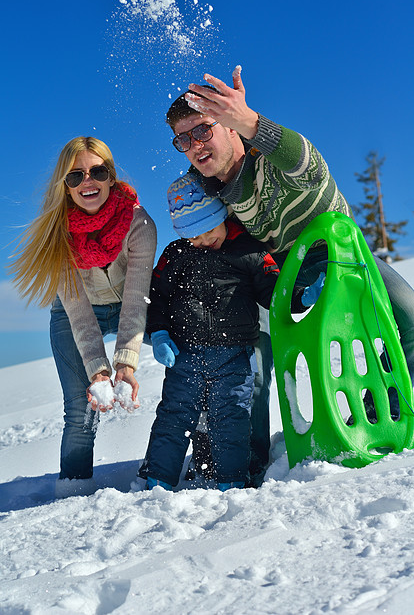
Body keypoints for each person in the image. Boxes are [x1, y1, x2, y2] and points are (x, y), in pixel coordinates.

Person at [166, 66, 414, 484]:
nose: (194, 146)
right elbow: (187, 222)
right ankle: (240, 459)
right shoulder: (204, 185)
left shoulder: (271, 160)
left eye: (203, 130)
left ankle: (387, 411)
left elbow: (307, 163)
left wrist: (248, 120)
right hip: (280, 275)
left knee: (407, 314)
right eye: (183, 139)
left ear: (229, 127)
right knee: (250, 352)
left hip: (342, 257)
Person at [138, 173, 321, 491]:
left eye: (208, 230)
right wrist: (159, 333)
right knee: (173, 416)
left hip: (235, 355)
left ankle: (232, 483)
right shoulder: (176, 255)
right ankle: (157, 481)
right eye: (194, 237)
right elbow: (157, 298)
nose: (204, 241)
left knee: (233, 418)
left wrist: (300, 295)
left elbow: (272, 290)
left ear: (221, 215)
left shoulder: (250, 250)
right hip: (185, 353)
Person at [9, 136, 157, 498]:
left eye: (97, 171)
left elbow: (137, 298)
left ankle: (182, 457)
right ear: (65, 185)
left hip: (127, 304)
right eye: (75, 176)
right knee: (80, 410)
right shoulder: (56, 237)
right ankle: (72, 494)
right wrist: (99, 371)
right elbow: (77, 310)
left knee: (190, 360)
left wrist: (125, 363)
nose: (87, 182)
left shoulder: (139, 223)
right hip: (75, 312)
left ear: (110, 176)